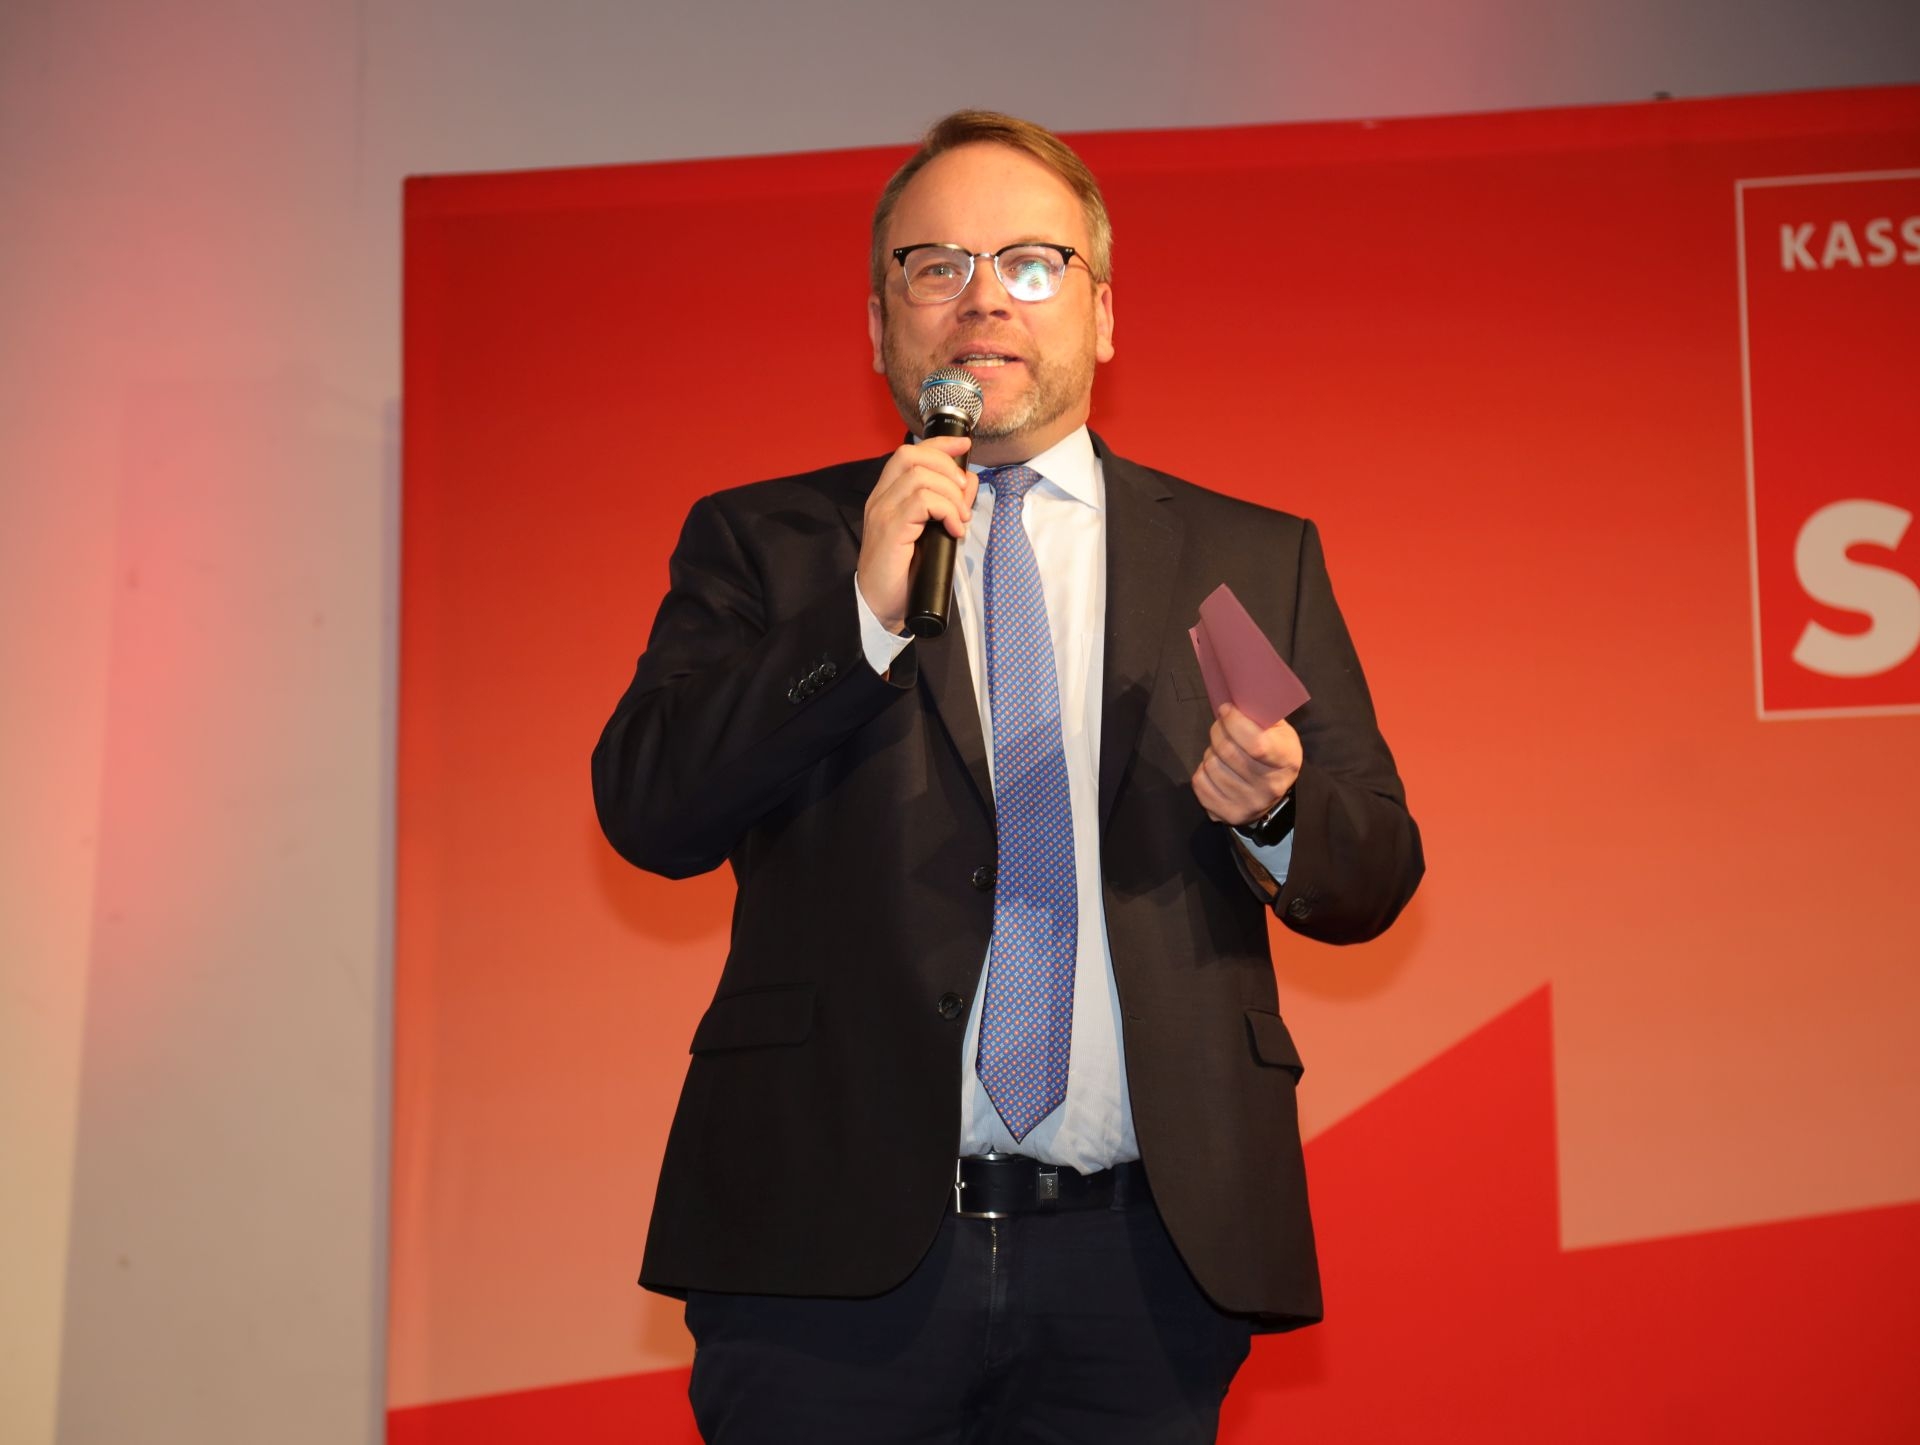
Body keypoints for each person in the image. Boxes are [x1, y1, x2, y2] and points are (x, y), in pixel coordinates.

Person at [592, 109, 1423, 1444]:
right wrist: (858, 620)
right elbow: (650, 809)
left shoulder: (1245, 559)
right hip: (825, 1259)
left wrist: (1274, 807)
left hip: (1140, 1265)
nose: (984, 298)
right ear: (881, 326)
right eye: (937, 266)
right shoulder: (772, 542)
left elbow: (1373, 866)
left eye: (1032, 263)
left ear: (1104, 314)